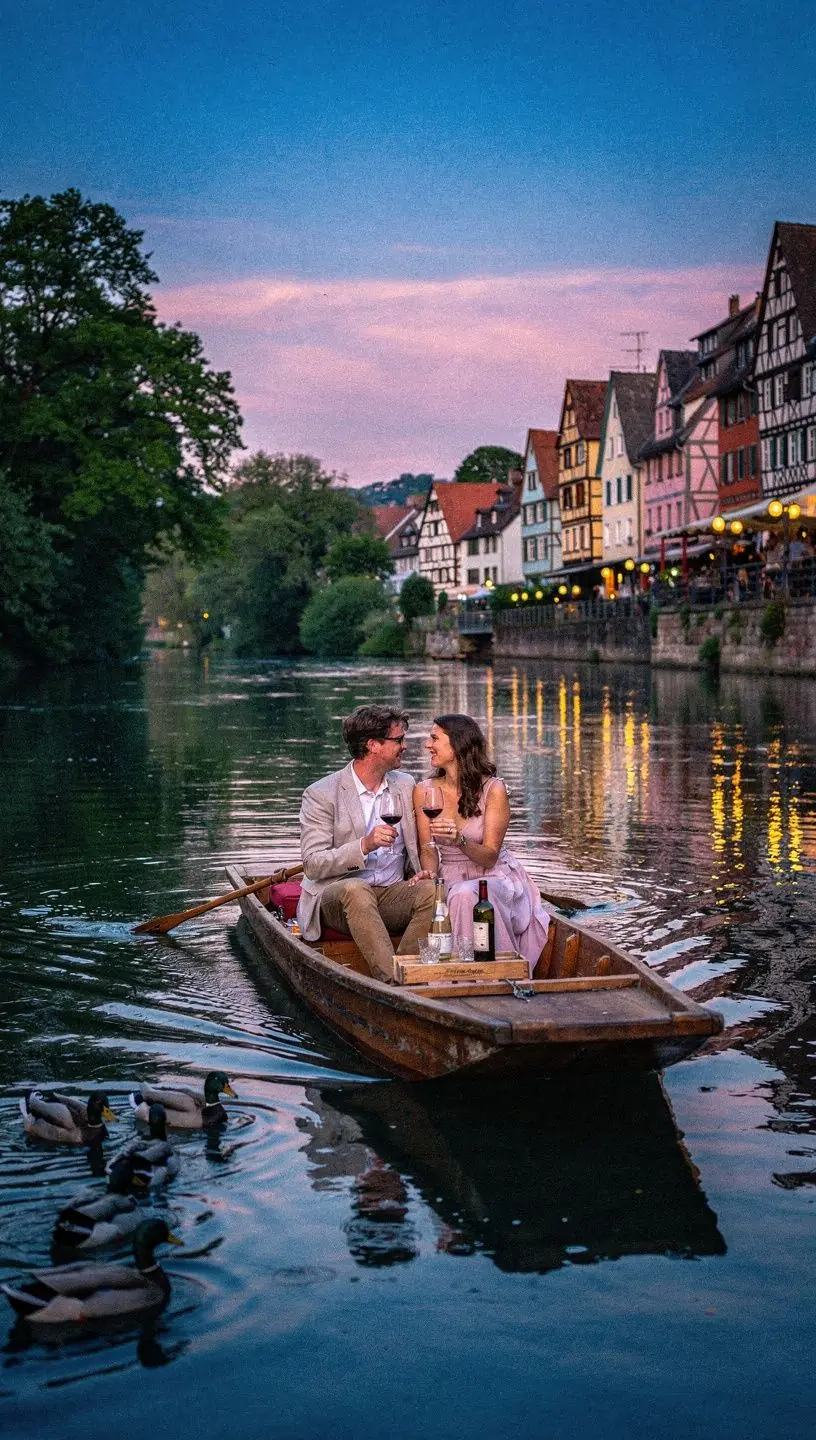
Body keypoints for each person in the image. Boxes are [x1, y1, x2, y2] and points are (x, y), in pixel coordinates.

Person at [297, 705, 435, 981]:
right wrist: (364, 845)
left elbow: (420, 842)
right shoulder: (321, 794)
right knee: (357, 889)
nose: (405, 746)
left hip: (390, 892)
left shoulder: (405, 784)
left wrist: (423, 871)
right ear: (373, 745)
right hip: (338, 898)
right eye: (399, 740)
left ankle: (406, 973)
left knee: (432, 891)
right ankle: (391, 982)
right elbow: (313, 864)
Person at [413, 714, 550, 976]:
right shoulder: (424, 791)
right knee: (445, 896)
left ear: (458, 744)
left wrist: (459, 840)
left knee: (465, 895)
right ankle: (452, 977)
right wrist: (429, 873)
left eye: (434, 738)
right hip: (449, 875)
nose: (427, 745)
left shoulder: (493, 790)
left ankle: (486, 975)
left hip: (492, 876)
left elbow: (490, 856)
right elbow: (428, 848)